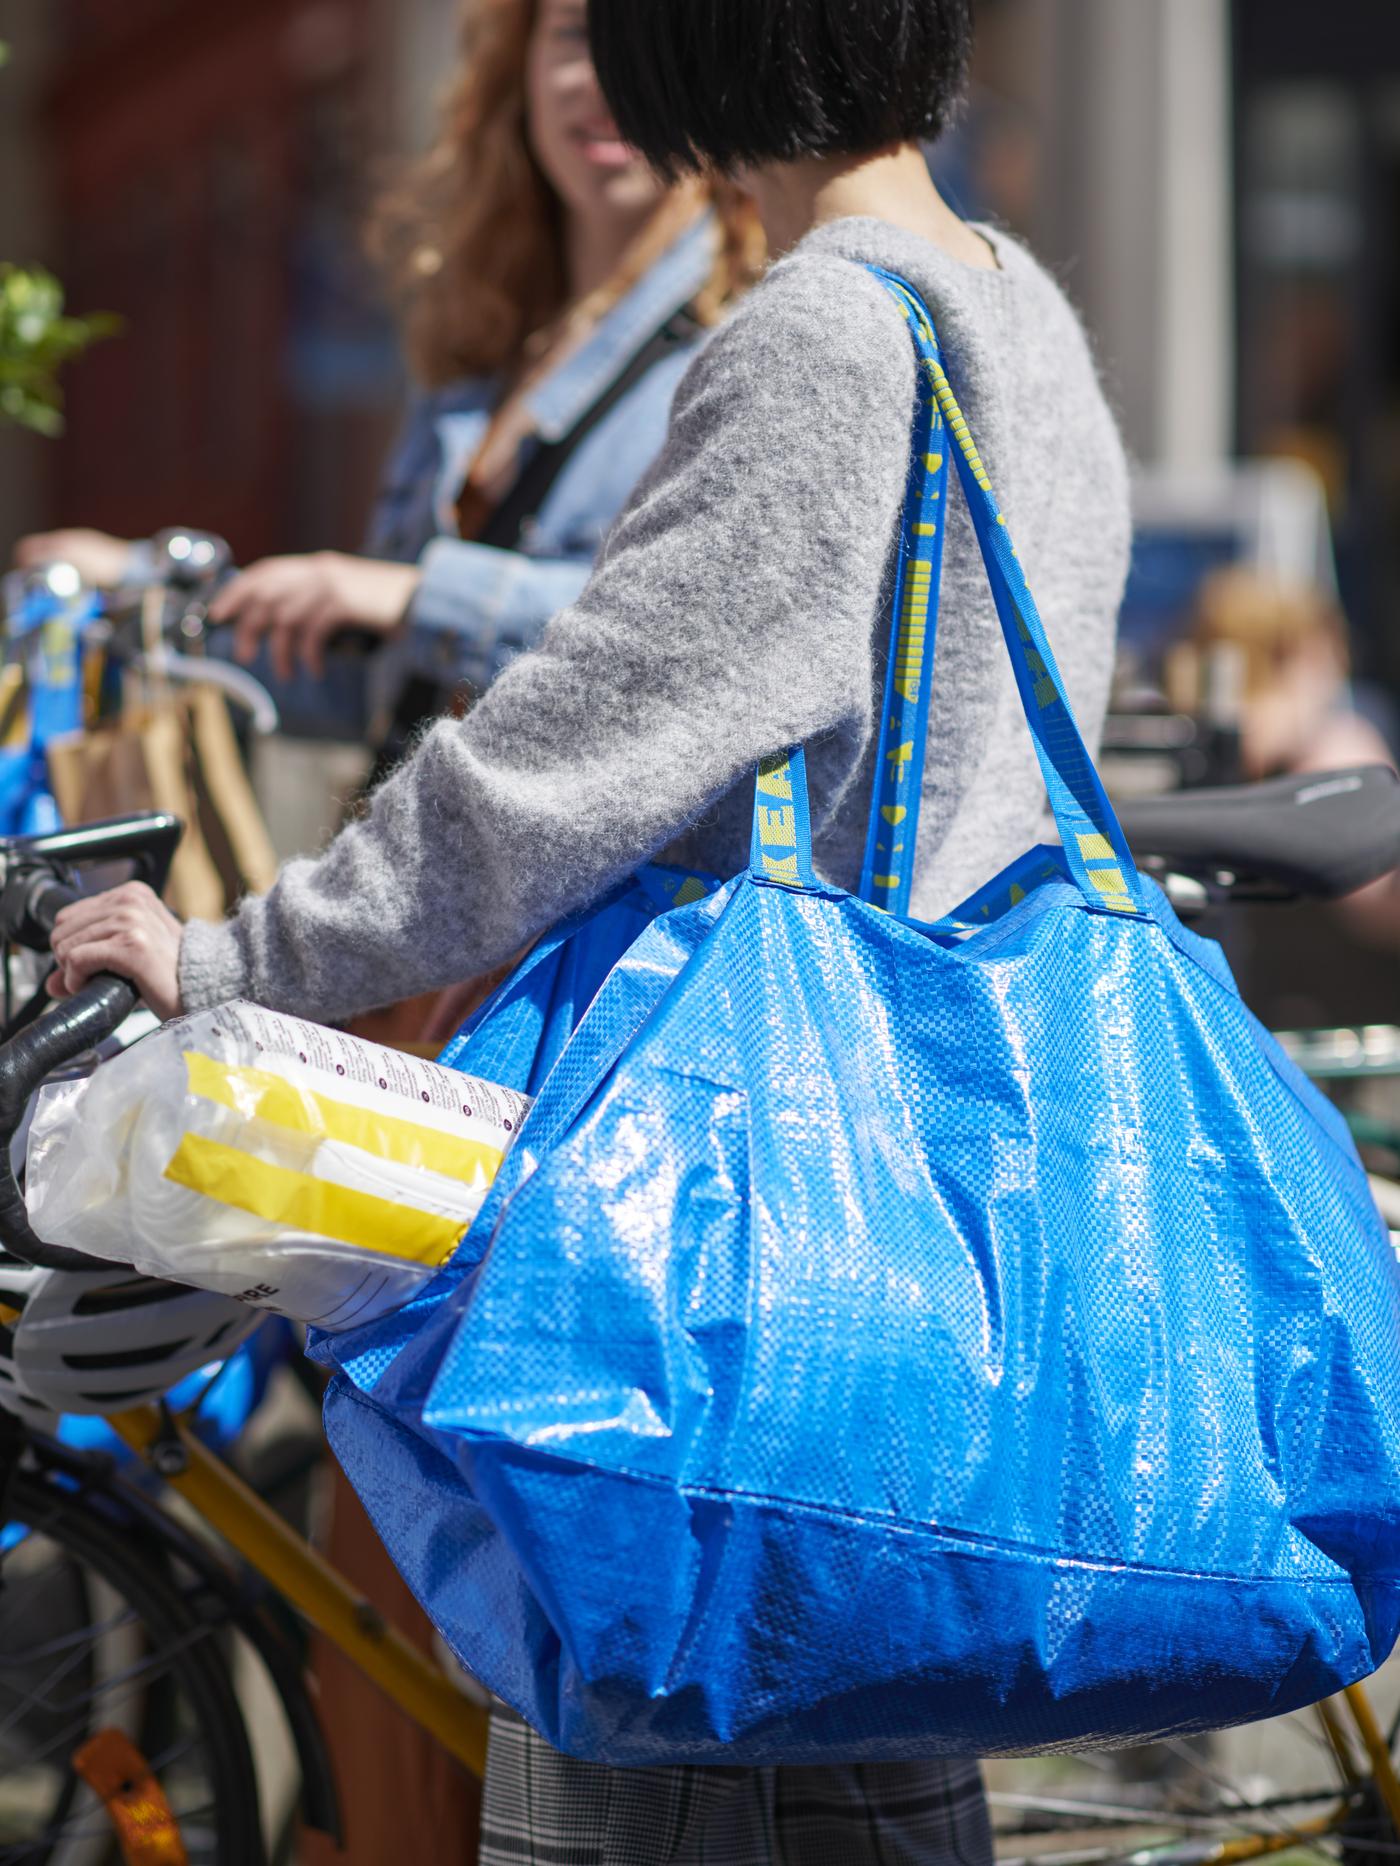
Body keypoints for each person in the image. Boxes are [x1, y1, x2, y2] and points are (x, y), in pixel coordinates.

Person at [47, 0, 1132, 1858]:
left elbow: (566, 759)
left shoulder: (818, 335)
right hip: (923, 1216)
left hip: (729, 1246)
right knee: (858, 1768)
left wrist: (238, 955)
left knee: (665, 1771)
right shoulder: (1020, 307)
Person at [16, 0, 761, 723]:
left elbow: (706, 645)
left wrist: (414, 597)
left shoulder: (746, 338)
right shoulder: (487, 340)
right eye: (573, 33)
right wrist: (151, 599)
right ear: (521, 64)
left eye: (650, 43)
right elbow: (367, 681)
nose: (606, 78)